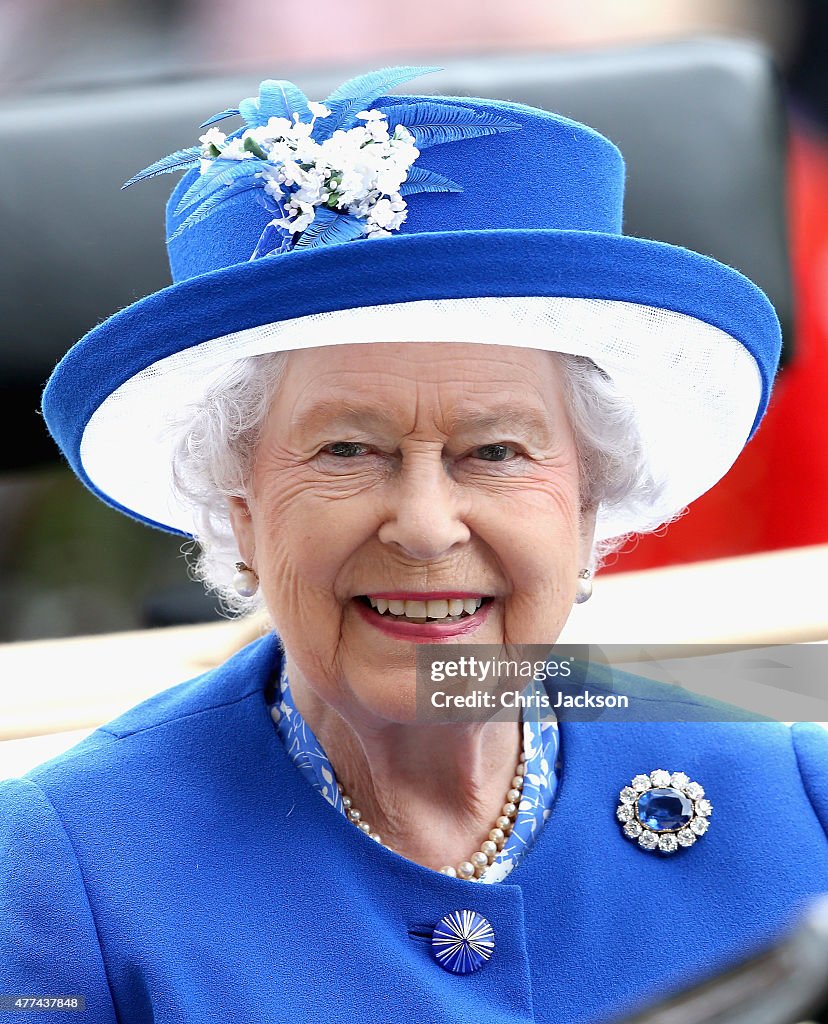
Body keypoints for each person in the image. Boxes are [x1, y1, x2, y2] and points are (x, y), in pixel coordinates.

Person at [1, 65, 825, 1024]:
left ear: (589, 498)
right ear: (240, 498)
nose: (428, 527)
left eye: (495, 451)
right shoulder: (62, 875)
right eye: (348, 450)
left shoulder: (798, 799)